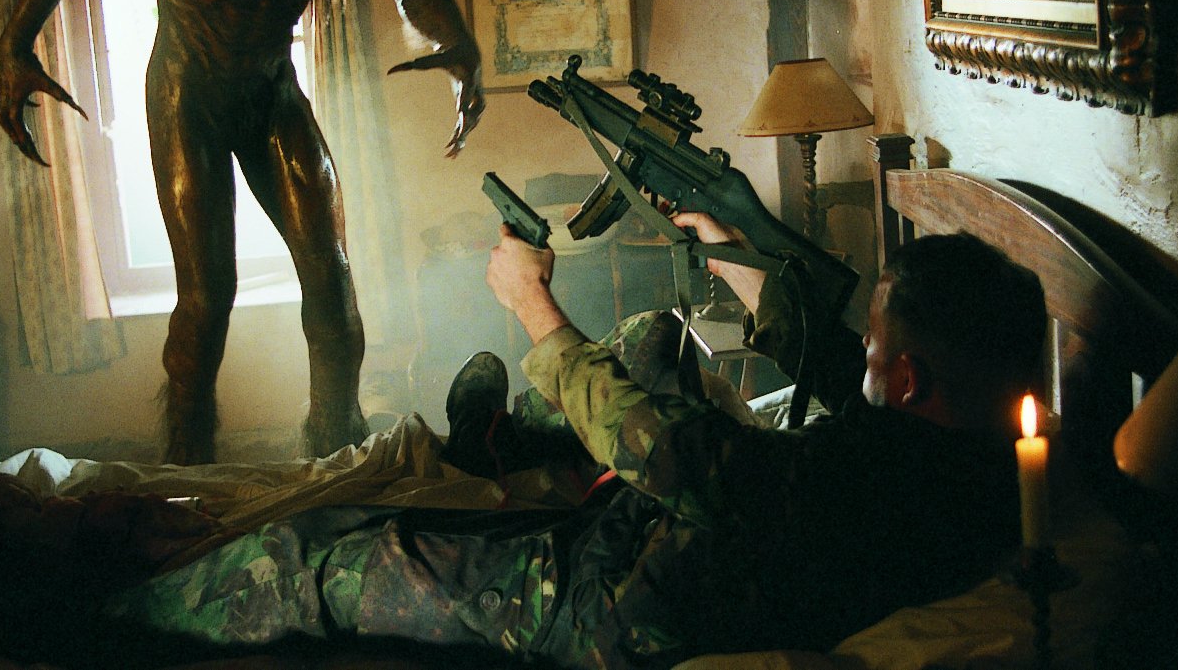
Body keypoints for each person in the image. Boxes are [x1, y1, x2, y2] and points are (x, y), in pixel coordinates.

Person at [102, 213, 1046, 668]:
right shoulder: (973, 449)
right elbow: (842, 371)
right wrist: (732, 254)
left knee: (342, 559)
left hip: (612, 611)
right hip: (653, 549)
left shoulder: (874, 472)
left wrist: (537, 313)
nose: (861, 354)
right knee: (654, 339)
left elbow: (683, 462)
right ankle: (495, 440)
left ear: (910, 378)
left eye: (877, 342)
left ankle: (112, 614)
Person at [0, 0, 485, 464]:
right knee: (206, 297)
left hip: (271, 89)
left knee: (333, 281)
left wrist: (461, 51)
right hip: (186, 94)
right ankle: (188, 465)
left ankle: (335, 444)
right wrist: (15, 46)